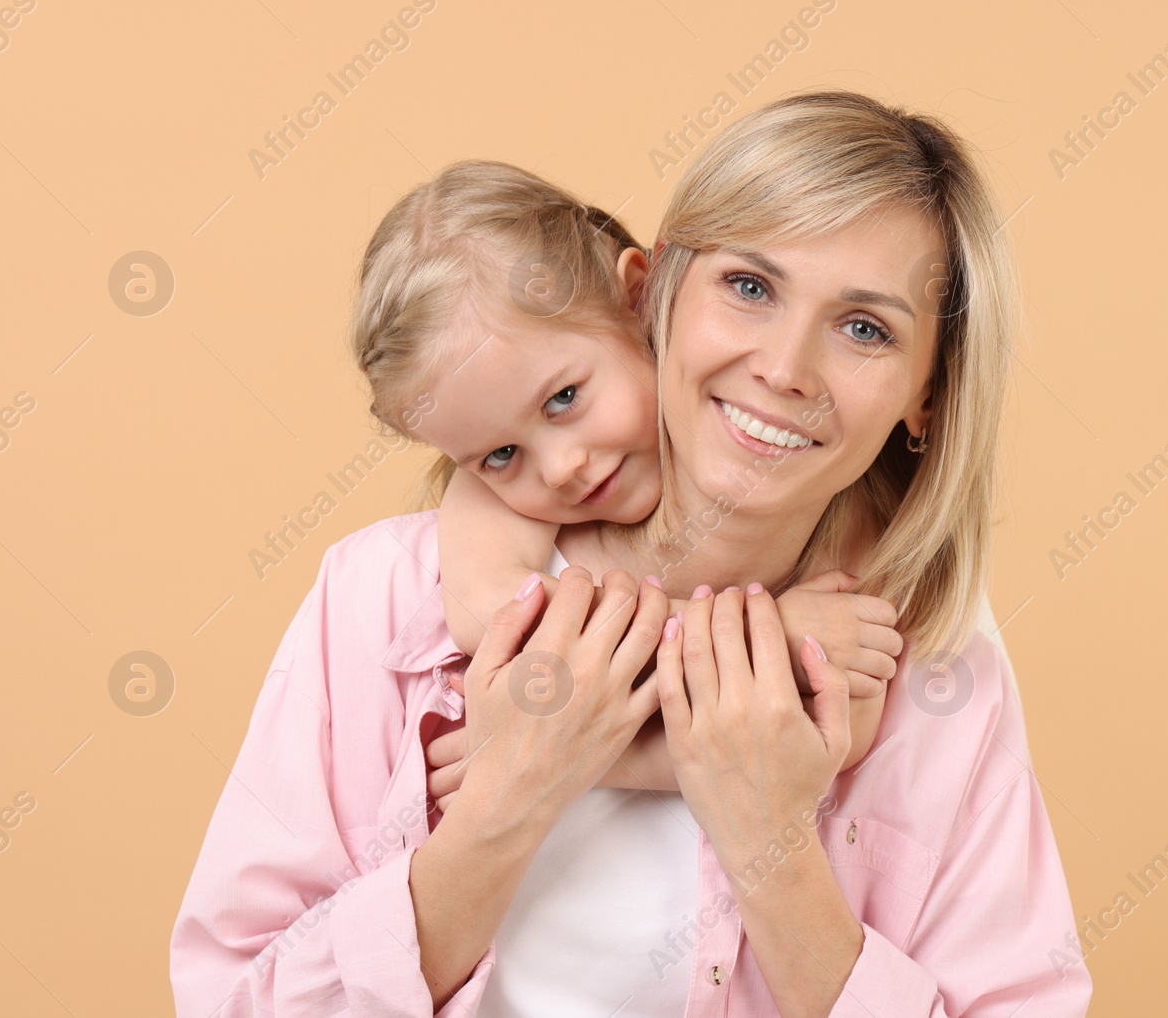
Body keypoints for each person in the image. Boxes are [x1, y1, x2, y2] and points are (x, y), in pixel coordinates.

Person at [170, 91, 1092, 1017]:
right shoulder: (383, 599)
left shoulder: (931, 657)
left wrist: (767, 836)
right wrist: (513, 795)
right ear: (658, 293)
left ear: (926, 397)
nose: (784, 369)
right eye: (750, 286)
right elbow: (234, 1002)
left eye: (865, 328)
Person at [352, 158, 903, 792]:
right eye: (499, 456)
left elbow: (835, 738)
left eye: (563, 399)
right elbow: (491, 612)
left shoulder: (805, 475)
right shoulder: (491, 506)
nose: (560, 469)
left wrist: (574, 761)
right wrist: (768, 635)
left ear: (640, 299)